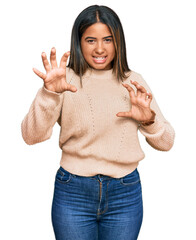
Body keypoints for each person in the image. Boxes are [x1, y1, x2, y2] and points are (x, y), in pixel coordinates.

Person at [21, 5, 175, 240]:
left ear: (118, 42)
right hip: (73, 192)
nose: (100, 48)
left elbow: (167, 142)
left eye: (108, 40)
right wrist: (49, 94)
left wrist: (149, 121)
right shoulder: (64, 80)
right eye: (91, 40)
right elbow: (31, 136)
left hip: (124, 194)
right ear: (78, 42)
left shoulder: (133, 82)